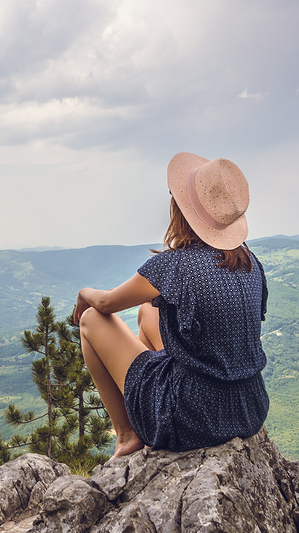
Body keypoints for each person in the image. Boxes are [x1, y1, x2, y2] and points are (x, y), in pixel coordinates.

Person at [73, 152, 269, 459]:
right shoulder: (250, 263)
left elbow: (107, 304)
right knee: (147, 311)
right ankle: (146, 402)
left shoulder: (174, 265)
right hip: (249, 409)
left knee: (91, 321)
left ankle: (127, 435)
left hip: (191, 418)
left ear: (181, 208)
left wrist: (84, 293)